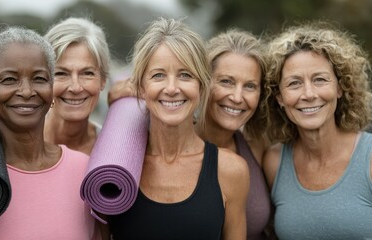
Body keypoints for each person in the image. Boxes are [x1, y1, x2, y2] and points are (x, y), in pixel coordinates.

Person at [107, 28, 272, 240]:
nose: (237, 97)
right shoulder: (117, 165)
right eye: (226, 81)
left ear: (201, 85)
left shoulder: (252, 151)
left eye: (185, 75)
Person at [0, 26, 99, 239]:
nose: (26, 91)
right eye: (9, 79)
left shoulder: (84, 171)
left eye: (39, 78)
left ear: (51, 87)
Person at [263, 21, 372, 240]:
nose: (309, 94)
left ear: (340, 88)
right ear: (280, 98)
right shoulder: (274, 162)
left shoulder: (369, 158)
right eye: (294, 83)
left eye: (320, 80)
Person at [195, 29, 271, 240]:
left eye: (250, 86)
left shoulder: (258, 145)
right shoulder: (170, 141)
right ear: (203, 81)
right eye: (226, 81)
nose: (237, 97)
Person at [43, 17, 110, 155]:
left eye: (87, 73)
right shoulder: (18, 145)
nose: (75, 87)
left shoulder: (114, 149)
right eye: (61, 73)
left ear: (103, 80)